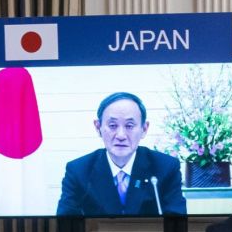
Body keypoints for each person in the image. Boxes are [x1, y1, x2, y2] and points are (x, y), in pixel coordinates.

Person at [56, 91, 187, 216]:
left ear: (144, 129)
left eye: (129, 126)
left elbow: (177, 224)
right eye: (112, 126)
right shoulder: (78, 171)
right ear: (98, 127)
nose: (121, 135)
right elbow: (66, 225)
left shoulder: (165, 167)